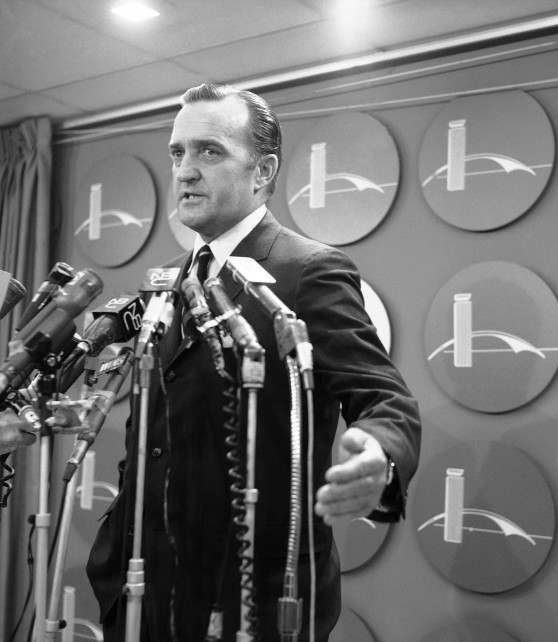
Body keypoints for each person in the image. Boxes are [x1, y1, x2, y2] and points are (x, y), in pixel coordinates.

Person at [87, 83, 421, 642]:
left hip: (250, 598)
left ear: (262, 171)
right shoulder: (167, 278)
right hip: (141, 589)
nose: (185, 171)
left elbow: (385, 399)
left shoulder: (309, 270)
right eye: (178, 152)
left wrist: (380, 455)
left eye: (209, 151)